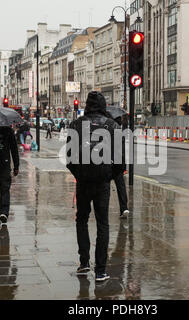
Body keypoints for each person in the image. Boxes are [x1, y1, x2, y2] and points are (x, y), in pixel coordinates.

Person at [66, 91, 125, 282]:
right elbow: (121, 161)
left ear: (87, 105)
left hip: (83, 182)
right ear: (103, 105)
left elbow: (69, 158)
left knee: (81, 220)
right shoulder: (112, 125)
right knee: (103, 224)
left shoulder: (76, 125)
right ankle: (100, 270)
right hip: (102, 182)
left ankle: (84, 263)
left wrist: (79, 174)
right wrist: (108, 176)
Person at [111, 115, 130, 219]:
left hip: (107, 163)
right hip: (118, 163)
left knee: (104, 187)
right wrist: (124, 167)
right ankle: (124, 208)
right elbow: (123, 152)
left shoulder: (107, 129)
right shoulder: (120, 133)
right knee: (121, 187)